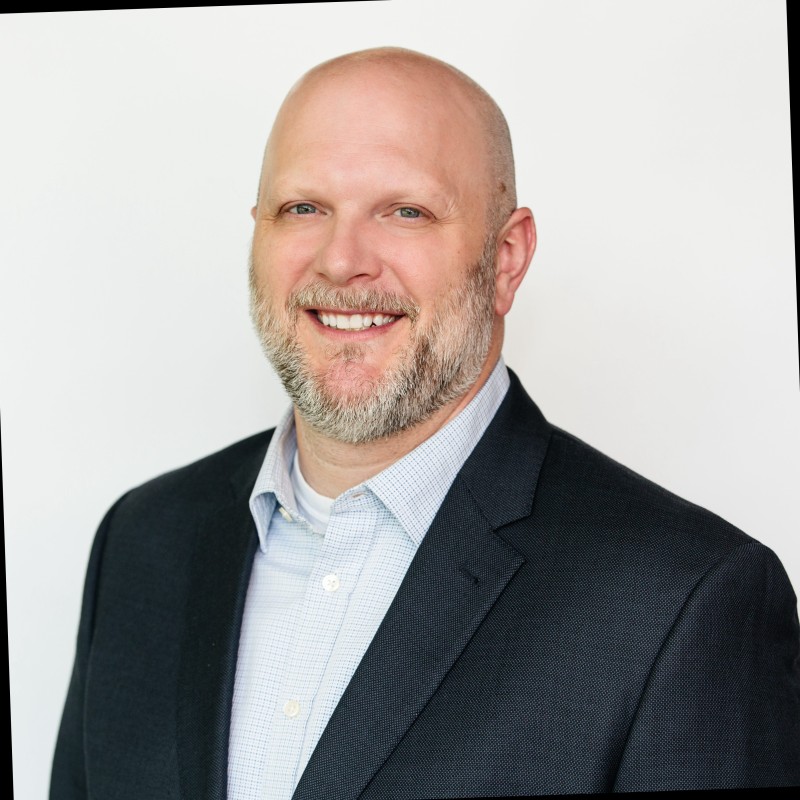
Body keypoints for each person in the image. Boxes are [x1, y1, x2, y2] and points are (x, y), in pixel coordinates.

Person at [50, 47, 799, 799]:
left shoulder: (684, 602)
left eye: (405, 210)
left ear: (505, 259)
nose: (342, 262)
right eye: (303, 208)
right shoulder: (142, 542)